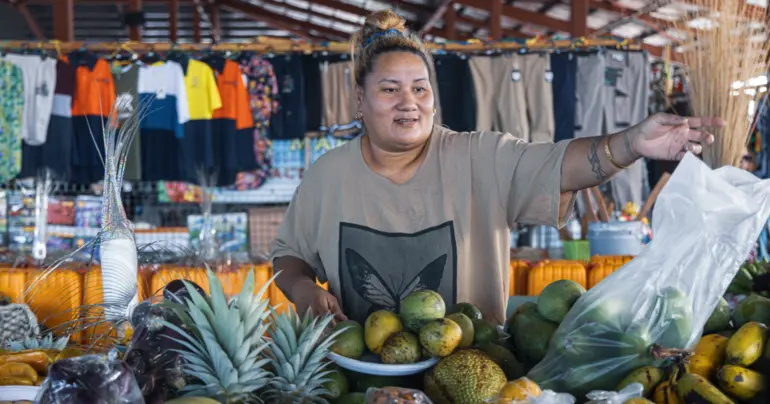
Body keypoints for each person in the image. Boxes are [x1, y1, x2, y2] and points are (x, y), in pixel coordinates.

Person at [269, 10, 721, 325]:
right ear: (359, 99)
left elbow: (562, 166)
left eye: (420, 89)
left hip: (476, 372)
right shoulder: (328, 176)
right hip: (359, 377)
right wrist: (304, 290)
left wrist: (631, 143)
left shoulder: (480, 157)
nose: (409, 102)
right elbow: (289, 256)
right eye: (390, 89)